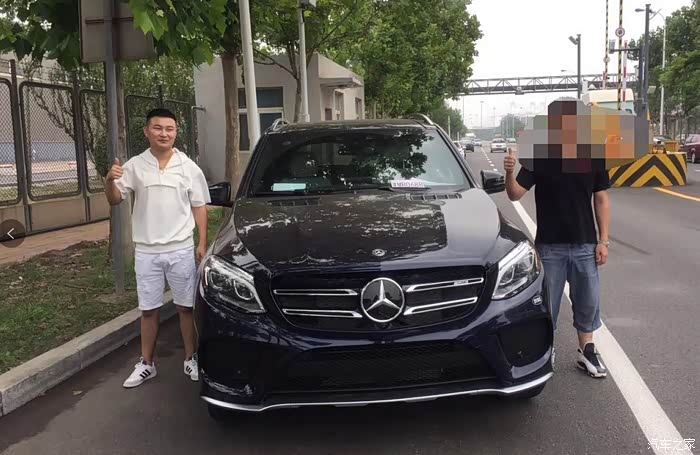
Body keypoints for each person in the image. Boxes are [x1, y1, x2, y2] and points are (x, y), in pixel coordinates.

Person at [105, 108, 211, 388]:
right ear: (147, 131)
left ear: (176, 132)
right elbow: (115, 199)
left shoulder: (188, 167)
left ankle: (191, 358)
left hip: (180, 249)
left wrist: (202, 243)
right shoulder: (135, 166)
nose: (164, 133)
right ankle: (147, 364)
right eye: (158, 128)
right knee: (149, 310)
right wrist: (109, 181)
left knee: (185, 307)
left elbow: (199, 207)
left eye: (169, 129)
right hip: (147, 251)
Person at [504, 146, 611, 379]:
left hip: (585, 245)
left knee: (588, 301)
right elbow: (514, 194)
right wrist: (509, 172)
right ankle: (546, 350)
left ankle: (587, 351)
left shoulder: (593, 156)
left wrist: (603, 241)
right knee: (547, 304)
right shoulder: (540, 156)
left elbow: (601, 198)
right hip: (550, 247)